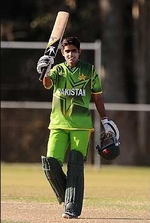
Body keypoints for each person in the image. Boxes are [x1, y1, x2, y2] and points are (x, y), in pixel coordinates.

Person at [36, 37, 119, 219]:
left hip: (81, 127)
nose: (70, 54)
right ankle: (68, 195)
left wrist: (105, 119)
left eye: (74, 51)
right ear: (62, 53)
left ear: (79, 52)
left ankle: (71, 208)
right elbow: (48, 84)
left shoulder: (88, 70)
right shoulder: (57, 70)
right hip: (58, 124)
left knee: (75, 165)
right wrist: (45, 71)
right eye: (67, 51)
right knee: (50, 164)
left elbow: (97, 97)